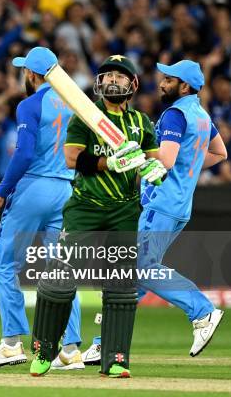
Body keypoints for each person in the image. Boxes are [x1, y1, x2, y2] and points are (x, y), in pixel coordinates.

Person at [29, 55, 165, 378]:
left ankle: (116, 359)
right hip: (85, 207)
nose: (112, 81)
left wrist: (157, 168)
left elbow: (154, 160)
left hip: (124, 209)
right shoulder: (85, 118)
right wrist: (110, 164)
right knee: (60, 280)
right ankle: (44, 351)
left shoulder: (142, 123)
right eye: (107, 76)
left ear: (132, 84)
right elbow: (71, 159)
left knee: (120, 287)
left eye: (120, 76)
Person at [0, 47, 83, 369]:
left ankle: (11, 344)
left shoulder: (30, 104)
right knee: (61, 270)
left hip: (34, 187)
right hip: (66, 189)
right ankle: (71, 348)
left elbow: (22, 155)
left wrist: (0, 191)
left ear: (33, 75)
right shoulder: (77, 104)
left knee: (5, 264)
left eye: (25, 71)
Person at [139, 60, 227, 356]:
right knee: (138, 273)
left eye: (168, 79)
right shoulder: (200, 115)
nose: (161, 83)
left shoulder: (175, 113)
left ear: (184, 86)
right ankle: (104, 343)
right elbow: (220, 153)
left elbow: (164, 161)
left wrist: (133, 161)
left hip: (160, 202)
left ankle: (202, 311)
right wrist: (188, 164)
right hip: (179, 205)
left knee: (141, 268)